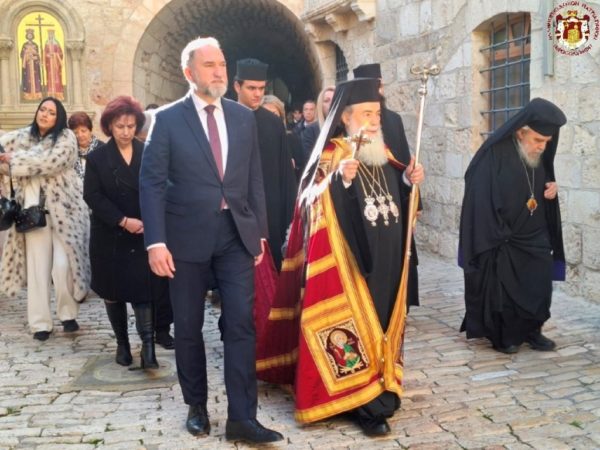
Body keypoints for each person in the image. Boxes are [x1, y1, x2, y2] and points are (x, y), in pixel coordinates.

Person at [256, 78, 424, 436]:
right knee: (357, 324)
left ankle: (382, 384)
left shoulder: (385, 152)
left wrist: (409, 182)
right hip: (350, 259)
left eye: (377, 114)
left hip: (388, 256)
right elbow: (307, 201)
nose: (374, 121)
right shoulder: (331, 154)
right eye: (366, 114)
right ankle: (361, 403)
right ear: (346, 118)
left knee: (383, 318)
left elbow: (398, 195)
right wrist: (338, 181)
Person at [139, 36, 283, 443]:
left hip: (235, 236)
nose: (219, 72)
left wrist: (258, 234)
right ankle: (197, 406)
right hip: (184, 239)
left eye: (221, 64)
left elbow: (254, 179)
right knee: (188, 326)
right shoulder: (167, 120)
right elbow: (151, 183)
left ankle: (242, 418)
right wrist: (156, 242)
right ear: (189, 72)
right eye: (209, 65)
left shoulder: (242, 118)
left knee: (240, 323)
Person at [459, 98, 567, 354]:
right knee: (503, 289)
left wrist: (551, 188)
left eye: (546, 142)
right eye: (537, 140)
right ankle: (503, 336)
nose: (541, 147)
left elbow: (541, 182)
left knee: (539, 284)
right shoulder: (494, 154)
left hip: (534, 235)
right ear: (521, 132)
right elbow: (478, 197)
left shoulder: (537, 154)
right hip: (503, 235)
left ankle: (532, 330)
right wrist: (498, 232)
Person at [84, 95, 171, 369]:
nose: (125, 132)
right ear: (110, 126)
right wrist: (122, 220)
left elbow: (160, 188)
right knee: (113, 291)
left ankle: (148, 347)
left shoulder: (148, 152)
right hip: (110, 234)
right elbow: (92, 196)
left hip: (142, 231)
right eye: (120, 126)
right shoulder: (97, 158)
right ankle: (122, 344)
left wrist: (151, 221)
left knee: (143, 289)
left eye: (131, 126)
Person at [0, 97, 90, 341]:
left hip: (65, 213)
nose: (45, 115)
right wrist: (6, 162)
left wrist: (14, 160)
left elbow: (50, 162)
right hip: (31, 212)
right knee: (37, 269)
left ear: (58, 118)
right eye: (43, 110)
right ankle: (40, 323)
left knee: (62, 266)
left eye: (51, 112)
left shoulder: (66, 137)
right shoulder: (22, 137)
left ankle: (68, 313)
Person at [354, 63, 421, 309]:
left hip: (393, 202)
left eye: (380, 85)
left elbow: (401, 161)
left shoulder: (393, 120)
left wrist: (413, 192)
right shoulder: (344, 136)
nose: (374, 121)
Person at [234, 58, 296, 270]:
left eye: (261, 88)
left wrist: (290, 217)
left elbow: (285, 172)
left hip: (271, 211)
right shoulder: (224, 119)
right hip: (236, 211)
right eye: (251, 88)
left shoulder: (273, 123)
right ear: (237, 86)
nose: (257, 94)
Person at [133, 109, 176, 350]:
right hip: (135, 226)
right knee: (145, 285)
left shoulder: (165, 151)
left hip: (163, 225)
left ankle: (161, 328)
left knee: (163, 283)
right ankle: (147, 332)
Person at [301, 86, 335, 169]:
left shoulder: (346, 128)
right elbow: (310, 161)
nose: (331, 103)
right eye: (326, 101)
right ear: (320, 105)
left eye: (334, 99)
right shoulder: (310, 130)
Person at [68, 111, 104, 180]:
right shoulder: (70, 151)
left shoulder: (102, 149)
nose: (80, 135)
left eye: (83, 131)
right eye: (76, 132)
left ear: (90, 130)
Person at [20, 29, 42, 101]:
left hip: (35, 65)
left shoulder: (35, 45)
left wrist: (34, 55)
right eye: (28, 35)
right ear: (27, 36)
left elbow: (38, 55)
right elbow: (22, 55)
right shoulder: (24, 45)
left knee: (36, 78)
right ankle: (28, 95)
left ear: (32, 36)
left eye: (31, 35)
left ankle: (37, 94)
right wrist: (26, 54)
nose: (30, 36)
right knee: (28, 78)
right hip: (28, 65)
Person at [44, 30, 64, 100]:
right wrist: (47, 55)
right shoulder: (46, 43)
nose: (50, 35)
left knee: (57, 77)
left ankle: (58, 93)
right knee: (49, 77)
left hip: (56, 64)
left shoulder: (57, 43)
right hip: (49, 64)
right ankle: (50, 93)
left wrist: (55, 55)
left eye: (51, 34)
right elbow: (44, 54)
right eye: (49, 34)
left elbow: (61, 54)